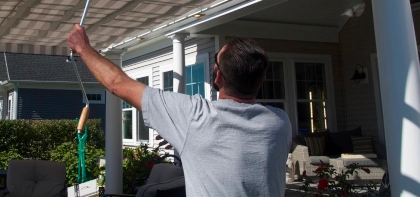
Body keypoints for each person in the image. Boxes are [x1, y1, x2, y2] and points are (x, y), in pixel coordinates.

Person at [67, 24, 292, 197]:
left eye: (216, 61)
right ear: (261, 80)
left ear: (218, 76)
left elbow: (117, 83)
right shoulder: (279, 123)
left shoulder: (196, 118)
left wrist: (83, 47)